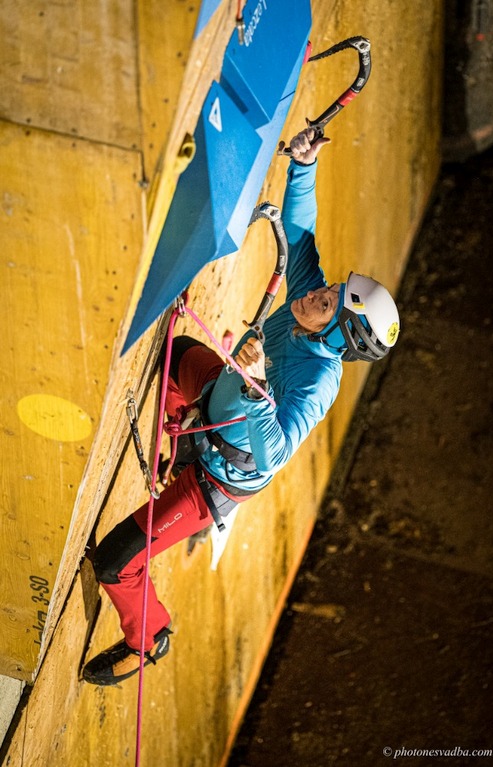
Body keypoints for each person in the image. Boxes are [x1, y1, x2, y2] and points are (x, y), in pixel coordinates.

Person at [83, 129, 400, 685]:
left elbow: (273, 453)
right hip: (215, 401)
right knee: (178, 354)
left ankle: (148, 636)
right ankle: (180, 442)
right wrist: (304, 168)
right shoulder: (309, 306)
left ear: (339, 334)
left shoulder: (318, 381)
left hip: (216, 479)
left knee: (113, 562)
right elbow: (299, 240)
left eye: (327, 301)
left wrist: (255, 389)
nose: (315, 293)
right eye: (327, 289)